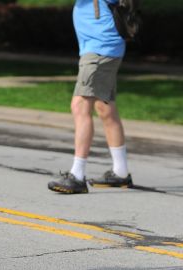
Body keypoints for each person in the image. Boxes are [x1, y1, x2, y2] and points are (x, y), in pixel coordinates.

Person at [48, 0, 133, 194]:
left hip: (100, 47)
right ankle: (120, 172)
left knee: (80, 105)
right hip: (101, 45)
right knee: (105, 107)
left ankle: (77, 176)